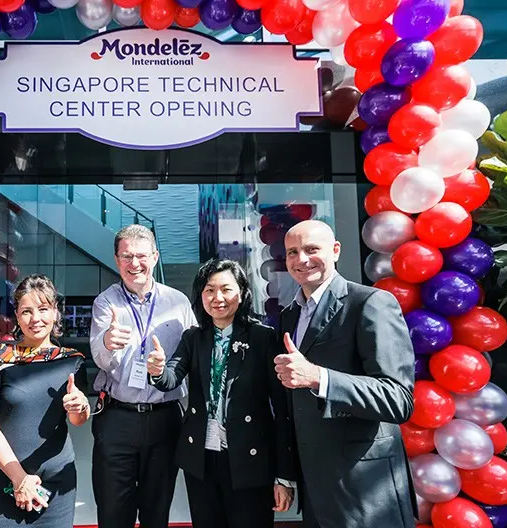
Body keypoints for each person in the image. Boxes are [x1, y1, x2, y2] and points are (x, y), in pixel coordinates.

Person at [273, 220, 417, 528]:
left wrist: (319, 377)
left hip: (366, 488)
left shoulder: (370, 303)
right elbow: (291, 406)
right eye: (292, 252)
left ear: (335, 251)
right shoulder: (289, 316)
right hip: (316, 489)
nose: (301, 260)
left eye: (312, 249)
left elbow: (397, 399)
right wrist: (286, 473)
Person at [146, 259, 296, 528]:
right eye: (209, 290)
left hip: (250, 460)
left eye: (226, 289)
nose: (218, 298)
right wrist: (157, 369)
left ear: (242, 293)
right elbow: (171, 378)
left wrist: (284, 476)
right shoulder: (193, 337)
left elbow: (282, 410)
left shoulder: (262, 337)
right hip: (202, 460)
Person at [88, 224, 196, 528]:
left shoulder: (178, 303)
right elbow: (100, 359)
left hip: (165, 419)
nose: (134, 264)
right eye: (126, 257)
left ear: (155, 257)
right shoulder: (106, 303)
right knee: (113, 511)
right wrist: (108, 342)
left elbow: (192, 359)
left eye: (141, 256)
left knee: (157, 510)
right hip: (118, 418)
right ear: (116, 259)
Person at [0, 274, 89, 528]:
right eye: (26, 311)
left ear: (56, 312)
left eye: (43, 309)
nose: (35, 319)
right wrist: (20, 479)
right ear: (16, 314)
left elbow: (77, 420)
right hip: (1, 479)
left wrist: (80, 407)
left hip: (56, 484)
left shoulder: (72, 360)